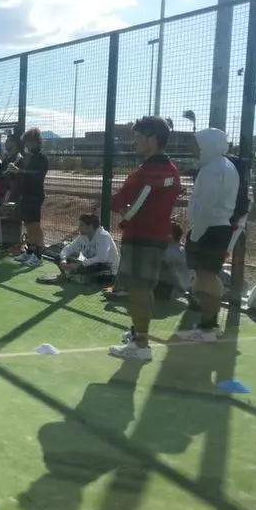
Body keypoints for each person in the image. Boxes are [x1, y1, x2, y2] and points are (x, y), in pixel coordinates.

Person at [108, 116, 181, 361]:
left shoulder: (145, 172)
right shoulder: (171, 170)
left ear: (153, 139)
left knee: (138, 291)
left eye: (138, 137)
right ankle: (138, 334)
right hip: (156, 237)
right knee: (144, 289)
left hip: (141, 238)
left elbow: (117, 201)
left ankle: (141, 345)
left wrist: (123, 209)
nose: (134, 142)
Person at [175, 128, 239, 343]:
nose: (192, 147)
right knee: (209, 276)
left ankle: (207, 328)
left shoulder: (212, 169)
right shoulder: (225, 165)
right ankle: (210, 324)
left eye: (196, 143)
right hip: (217, 229)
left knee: (205, 278)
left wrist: (195, 234)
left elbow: (207, 207)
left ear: (207, 145)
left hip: (209, 230)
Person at [11, 128, 49, 267]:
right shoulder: (30, 157)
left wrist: (20, 172)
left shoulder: (42, 158)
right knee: (28, 225)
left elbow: (36, 176)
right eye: (26, 142)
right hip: (26, 195)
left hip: (35, 195)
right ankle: (30, 252)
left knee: (35, 226)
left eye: (29, 142)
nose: (26, 145)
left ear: (36, 141)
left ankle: (39, 255)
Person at [46, 214, 118, 285]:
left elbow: (102, 258)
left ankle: (79, 276)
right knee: (58, 257)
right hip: (89, 264)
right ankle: (67, 275)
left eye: (81, 225)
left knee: (86, 267)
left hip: (107, 268)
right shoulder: (83, 236)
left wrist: (79, 264)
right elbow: (68, 248)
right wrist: (63, 260)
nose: (79, 228)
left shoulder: (103, 236)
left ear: (90, 226)